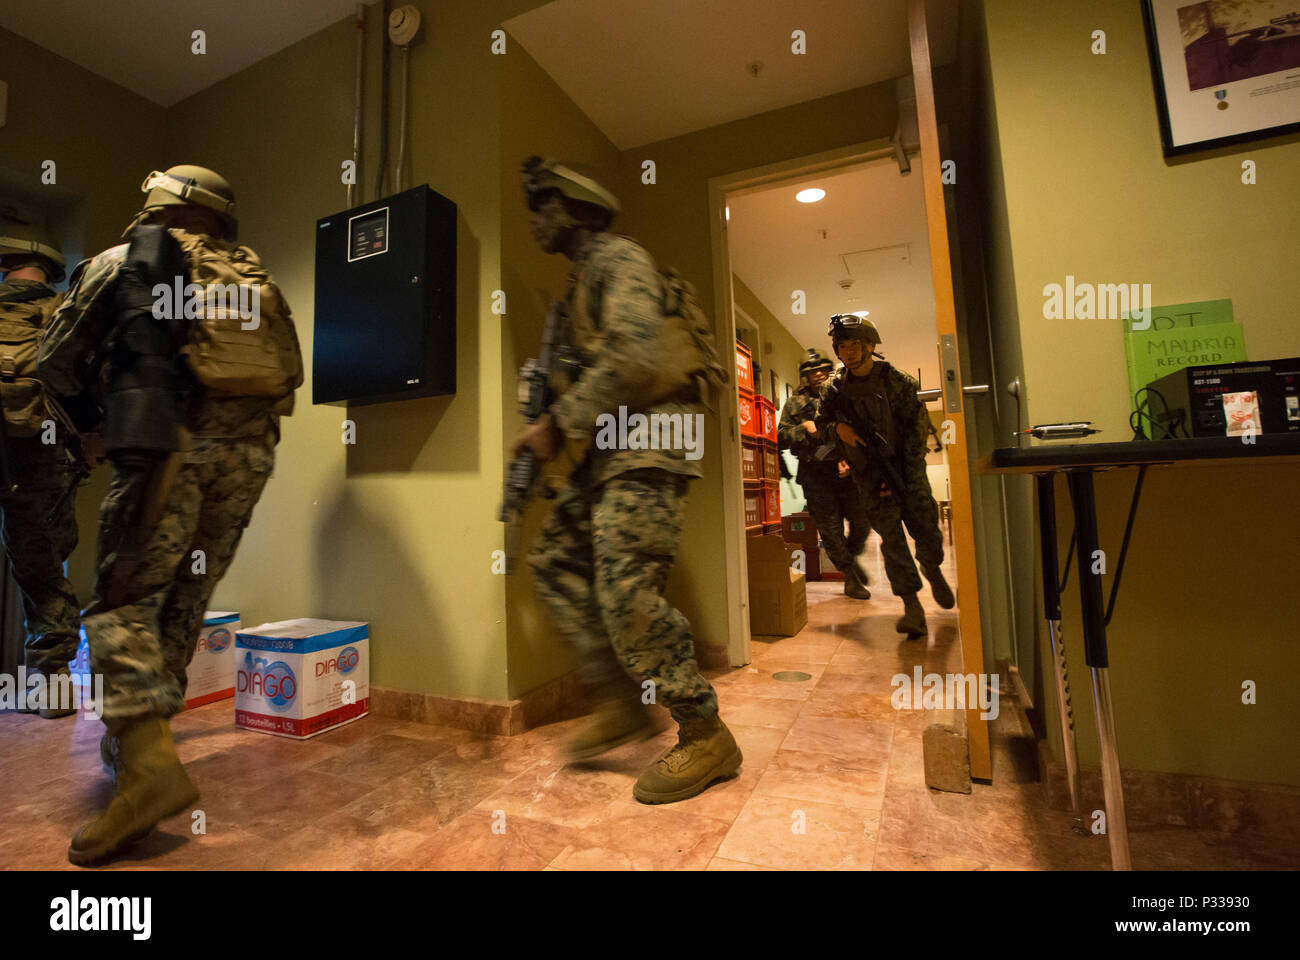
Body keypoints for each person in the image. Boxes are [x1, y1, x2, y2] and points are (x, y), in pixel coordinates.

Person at [39, 165, 303, 864]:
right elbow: (290, 379)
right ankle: (137, 744)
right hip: (247, 466)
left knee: (123, 606)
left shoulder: (123, 262)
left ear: (155, 205)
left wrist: (96, 426)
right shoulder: (256, 280)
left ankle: (150, 773)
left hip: (169, 457)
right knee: (182, 605)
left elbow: (53, 363)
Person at [515, 156, 741, 805]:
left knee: (623, 584)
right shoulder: (585, 279)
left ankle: (704, 732)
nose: (534, 220)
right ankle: (621, 701)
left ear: (578, 208)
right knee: (556, 557)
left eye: (543, 205)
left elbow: (638, 359)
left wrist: (557, 424)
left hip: (655, 432)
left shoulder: (619, 260)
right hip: (617, 440)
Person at [0, 225, 96, 717]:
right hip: (45, 456)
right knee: (43, 573)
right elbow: (91, 385)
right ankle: (53, 684)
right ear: (51, 273)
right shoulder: (65, 313)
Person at [817, 314, 954, 636]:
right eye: (842, 346)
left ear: (870, 345)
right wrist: (839, 429)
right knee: (892, 542)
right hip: (866, 477)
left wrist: (900, 477)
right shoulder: (834, 389)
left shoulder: (898, 381)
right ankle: (912, 606)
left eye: (854, 344)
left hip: (906, 472)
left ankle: (932, 568)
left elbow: (916, 433)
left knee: (927, 533)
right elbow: (821, 425)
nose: (848, 352)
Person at [777, 349, 872, 598]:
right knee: (831, 531)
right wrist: (804, 429)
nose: (818, 375)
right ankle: (850, 576)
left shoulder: (843, 395)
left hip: (849, 471)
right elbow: (780, 436)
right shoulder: (795, 403)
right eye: (812, 372)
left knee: (863, 521)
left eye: (822, 370)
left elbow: (863, 429)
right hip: (815, 474)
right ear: (805, 376)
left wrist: (851, 458)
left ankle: (850, 557)